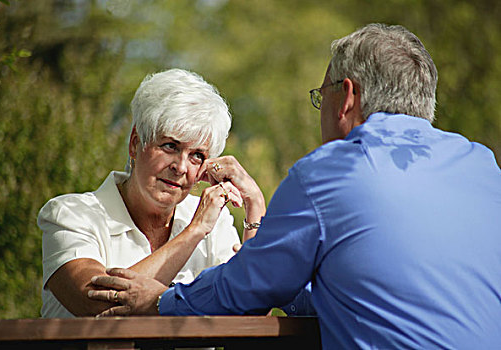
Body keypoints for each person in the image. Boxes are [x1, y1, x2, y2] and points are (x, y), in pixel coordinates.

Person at [88, 24, 501, 349]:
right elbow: (335, 296)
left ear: (347, 98)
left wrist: (161, 301)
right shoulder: (484, 167)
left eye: (322, 97)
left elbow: (245, 289)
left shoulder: (329, 173)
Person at [38, 68, 265, 318]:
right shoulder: (70, 214)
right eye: (170, 146)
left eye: (197, 156)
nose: (180, 167)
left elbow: (251, 311)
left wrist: (254, 204)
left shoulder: (216, 221)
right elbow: (96, 304)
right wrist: (195, 231)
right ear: (135, 143)